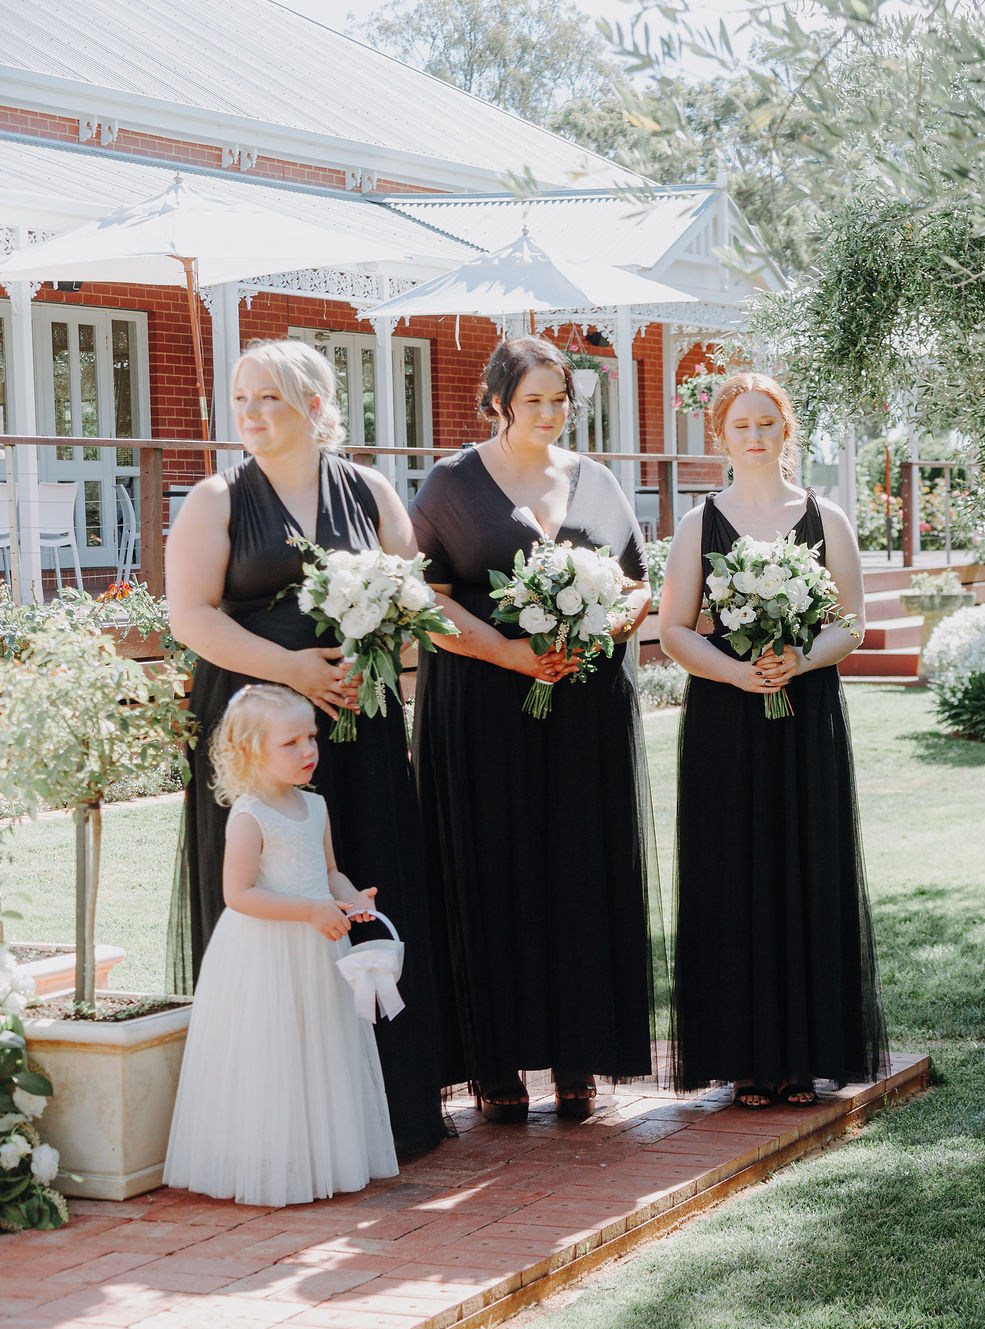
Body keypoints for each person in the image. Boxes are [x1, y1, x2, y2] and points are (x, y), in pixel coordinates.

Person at [165, 339, 454, 1159]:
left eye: (272, 399)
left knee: (365, 875)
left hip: (359, 723)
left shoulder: (367, 489)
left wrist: (377, 645)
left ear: (317, 407)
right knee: (277, 891)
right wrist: (292, 667)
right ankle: (278, 1121)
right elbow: (192, 615)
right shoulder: (216, 498)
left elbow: (412, 591)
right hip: (259, 720)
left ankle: (389, 1106)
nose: (251, 414)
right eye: (243, 397)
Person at [410, 336, 662, 1123]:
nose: (550, 414)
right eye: (534, 401)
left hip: (583, 709)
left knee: (580, 867)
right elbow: (423, 596)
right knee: (495, 869)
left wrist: (598, 629)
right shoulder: (452, 483)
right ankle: (495, 1058)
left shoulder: (598, 480)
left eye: (561, 400)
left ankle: (580, 1051)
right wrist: (509, 653)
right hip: (482, 708)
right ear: (497, 403)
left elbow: (635, 585)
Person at [658, 372, 887, 1108]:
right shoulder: (700, 523)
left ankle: (805, 1055)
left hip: (805, 714)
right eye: (740, 424)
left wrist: (801, 657)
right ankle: (743, 1058)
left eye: (767, 422)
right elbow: (672, 630)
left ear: (788, 429)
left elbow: (850, 621)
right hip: (727, 721)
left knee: (805, 867)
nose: (754, 435)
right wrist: (734, 671)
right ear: (720, 435)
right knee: (732, 873)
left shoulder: (827, 518)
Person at [163, 685, 397, 1205]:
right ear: (250, 751)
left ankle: (319, 1155)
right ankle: (269, 1162)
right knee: (273, 1049)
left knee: (316, 1045)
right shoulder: (249, 815)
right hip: (266, 953)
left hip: (316, 950)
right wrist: (310, 910)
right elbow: (238, 893)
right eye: (290, 742)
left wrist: (350, 897)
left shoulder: (315, 806)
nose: (309, 750)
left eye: (311, 736)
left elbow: (329, 872)